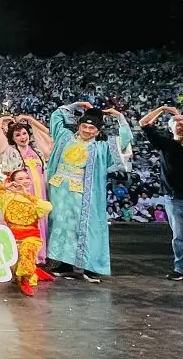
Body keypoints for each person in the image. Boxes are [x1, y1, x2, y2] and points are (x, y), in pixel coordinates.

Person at [46, 103, 132, 283]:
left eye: (91, 128)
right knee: (62, 227)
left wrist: (120, 118)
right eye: (84, 126)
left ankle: (88, 266)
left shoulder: (100, 148)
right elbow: (56, 117)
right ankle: (63, 265)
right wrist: (74, 105)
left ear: (97, 131)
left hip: (83, 194)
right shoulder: (64, 138)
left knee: (85, 228)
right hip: (59, 190)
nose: (86, 130)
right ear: (78, 125)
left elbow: (123, 140)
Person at [139, 105, 183, 286]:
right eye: (179, 124)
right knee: (179, 237)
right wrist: (162, 109)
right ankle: (182, 269)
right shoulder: (165, 143)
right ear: (171, 128)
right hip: (175, 198)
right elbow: (144, 123)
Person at [0, 115, 53, 262]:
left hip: (39, 191)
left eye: (24, 133)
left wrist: (30, 120)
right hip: (20, 192)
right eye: (17, 135)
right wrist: (0, 122)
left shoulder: (37, 150)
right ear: (13, 138)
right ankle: (21, 255)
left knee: (39, 219)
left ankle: (39, 254)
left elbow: (48, 135)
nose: (22, 137)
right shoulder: (9, 151)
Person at [0, 171, 54, 296]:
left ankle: (25, 280)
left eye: (27, 178)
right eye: (21, 179)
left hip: (31, 236)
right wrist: (5, 187)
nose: (26, 181)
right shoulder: (5, 197)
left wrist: (25, 194)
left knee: (27, 249)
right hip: (12, 236)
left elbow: (47, 207)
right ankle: (32, 271)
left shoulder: (33, 199)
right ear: (13, 182)